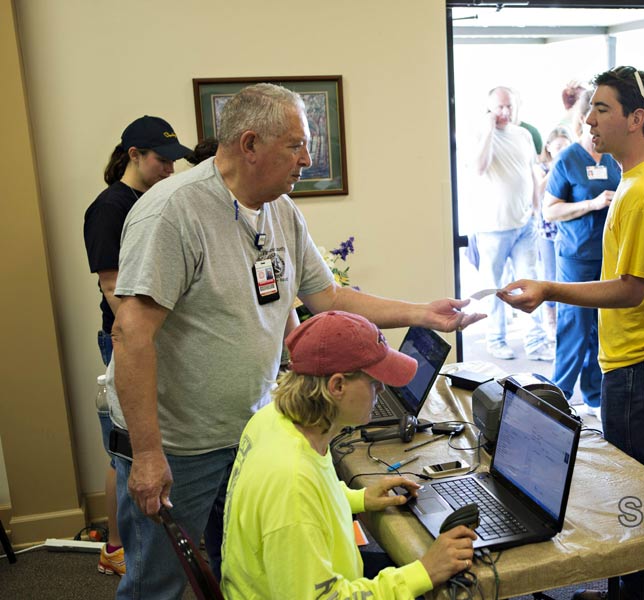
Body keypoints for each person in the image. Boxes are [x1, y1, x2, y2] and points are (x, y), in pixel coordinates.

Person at [106, 83, 483, 600]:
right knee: (161, 585)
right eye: (296, 145)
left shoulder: (279, 209)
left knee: (235, 568)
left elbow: (327, 296)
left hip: (243, 428)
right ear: (251, 144)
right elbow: (130, 333)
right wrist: (148, 455)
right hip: (179, 445)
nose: (307, 159)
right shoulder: (173, 212)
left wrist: (423, 312)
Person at [500, 66, 644, 600]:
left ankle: (638, 590)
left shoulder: (639, 193)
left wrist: (550, 289)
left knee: (631, 480)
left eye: (602, 109)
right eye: (590, 107)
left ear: (638, 118)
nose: (588, 118)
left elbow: (630, 289)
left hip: (640, 353)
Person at [221, 311, 476, 599]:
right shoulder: (291, 480)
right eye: (373, 381)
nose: (382, 388)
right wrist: (424, 572)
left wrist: (359, 498)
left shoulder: (274, 419)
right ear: (337, 386)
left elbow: (311, 502)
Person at [82, 115, 192, 577]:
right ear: (133, 155)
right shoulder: (110, 207)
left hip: (152, 338)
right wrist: (140, 339)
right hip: (127, 339)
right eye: (161, 161)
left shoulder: (152, 200)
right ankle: (116, 547)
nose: (169, 170)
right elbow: (114, 287)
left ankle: (126, 544)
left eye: (173, 162)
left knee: (136, 445)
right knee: (128, 449)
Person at [542, 117, 621, 418]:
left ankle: (594, 396)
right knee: (574, 326)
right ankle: (556, 398)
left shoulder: (613, 158)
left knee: (600, 330)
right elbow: (549, 210)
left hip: (609, 256)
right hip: (576, 255)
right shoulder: (568, 159)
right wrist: (591, 203)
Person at [471, 86, 553, 361]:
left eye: (509, 107)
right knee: (495, 286)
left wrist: (535, 208)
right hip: (492, 226)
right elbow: (479, 167)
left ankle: (536, 341)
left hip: (524, 224)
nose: (505, 112)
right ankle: (496, 340)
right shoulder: (482, 134)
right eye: (499, 107)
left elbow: (530, 171)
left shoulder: (524, 135)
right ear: (490, 109)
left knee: (530, 281)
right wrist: (489, 130)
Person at [535, 127, 573, 337]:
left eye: (565, 147)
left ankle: (563, 320)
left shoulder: (571, 165)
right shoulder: (542, 167)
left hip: (565, 230)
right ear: (549, 147)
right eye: (557, 147)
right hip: (546, 232)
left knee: (564, 278)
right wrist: (555, 169)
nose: (561, 151)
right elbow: (538, 191)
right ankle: (549, 321)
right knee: (549, 275)